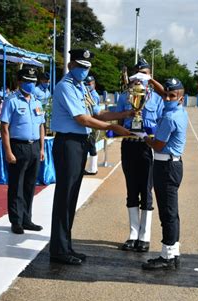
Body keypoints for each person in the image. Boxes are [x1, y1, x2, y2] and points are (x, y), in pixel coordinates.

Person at [49, 49, 132, 265]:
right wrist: (112, 128)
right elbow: (82, 119)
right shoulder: (65, 87)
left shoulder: (82, 88)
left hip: (79, 143)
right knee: (65, 196)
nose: (84, 71)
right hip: (68, 142)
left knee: (72, 195)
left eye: (87, 67)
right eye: (80, 66)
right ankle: (58, 249)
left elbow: (97, 113)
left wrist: (125, 114)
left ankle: (66, 245)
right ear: (70, 66)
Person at [115, 58, 164, 253]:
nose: (140, 78)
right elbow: (118, 121)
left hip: (147, 146)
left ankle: (145, 236)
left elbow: (162, 123)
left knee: (147, 190)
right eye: (138, 74)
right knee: (131, 189)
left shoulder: (157, 99)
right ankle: (133, 234)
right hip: (129, 145)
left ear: (150, 76)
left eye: (145, 74)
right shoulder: (124, 97)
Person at [140, 77, 188, 270]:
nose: (167, 98)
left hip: (165, 166)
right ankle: (173, 251)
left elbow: (158, 145)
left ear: (180, 98)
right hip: (173, 165)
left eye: (172, 96)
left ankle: (167, 257)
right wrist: (151, 80)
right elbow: (165, 93)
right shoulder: (179, 110)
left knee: (167, 213)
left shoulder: (169, 117)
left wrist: (145, 138)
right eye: (165, 95)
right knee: (172, 212)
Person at [0, 67, 45, 234]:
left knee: (30, 185)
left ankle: (27, 219)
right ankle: (16, 221)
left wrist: (41, 148)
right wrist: (8, 151)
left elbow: (41, 126)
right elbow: (4, 128)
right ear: (19, 82)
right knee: (16, 186)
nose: (31, 84)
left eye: (33, 81)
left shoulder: (37, 101)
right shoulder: (11, 101)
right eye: (27, 81)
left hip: (34, 147)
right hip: (18, 146)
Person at [83, 75, 101, 175]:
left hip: (92, 123)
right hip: (91, 123)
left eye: (90, 84)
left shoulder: (93, 95)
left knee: (91, 145)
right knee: (90, 145)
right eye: (87, 84)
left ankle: (92, 168)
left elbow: (94, 111)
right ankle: (92, 168)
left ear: (94, 84)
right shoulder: (90, 94)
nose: (88, 85)